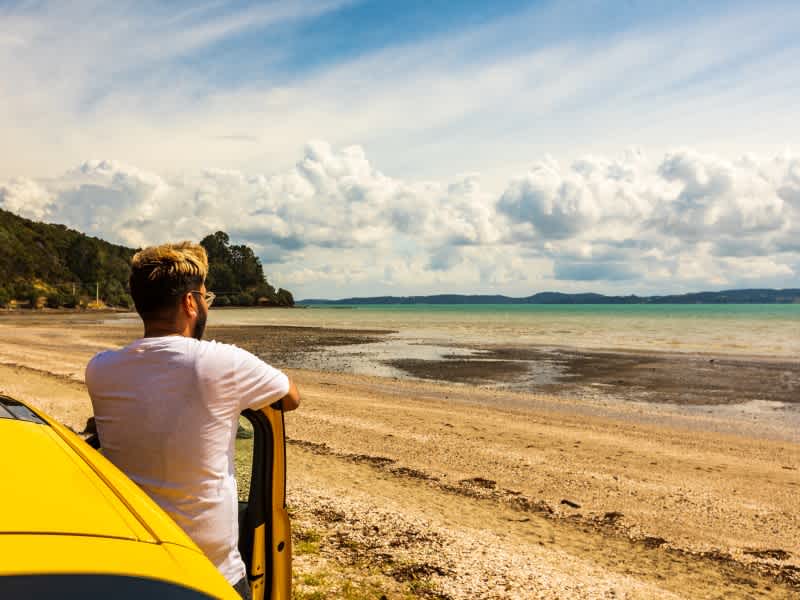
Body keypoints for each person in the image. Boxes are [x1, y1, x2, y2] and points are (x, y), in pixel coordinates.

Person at [85, 242, 299, 599]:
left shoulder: (101, 369)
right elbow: (290, 397)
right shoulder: (220, 363)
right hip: (210, 574)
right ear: (189, 302)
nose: (206, 306)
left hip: (135, 563)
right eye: (206, 298)